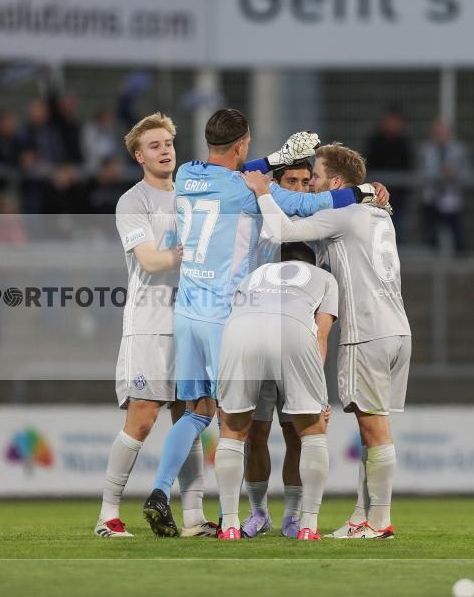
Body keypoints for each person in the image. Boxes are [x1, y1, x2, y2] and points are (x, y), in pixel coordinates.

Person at [142, 109, 366, 538]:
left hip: (186, 311)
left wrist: (277, 158)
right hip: (227, 316)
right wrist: (364, 192)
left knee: (194, 413)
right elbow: (308, 203)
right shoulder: (248, 192)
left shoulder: (187, 174)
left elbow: (240, 169)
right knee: (235, 425)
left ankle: (159, 490)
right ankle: (241, 518)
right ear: (243, 143)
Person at [247, 142, 411, 540]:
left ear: (337, 182)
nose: (313, 187)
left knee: (374, 430)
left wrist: (263, 191)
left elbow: (283, 229)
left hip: (366, 332)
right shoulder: (378, 213)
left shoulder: (342, 213)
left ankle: (381, 522)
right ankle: (361, 516)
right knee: (370, 429)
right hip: (398, 330)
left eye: (317, 178)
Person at [96, 112, 217, 539]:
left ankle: (194, 517)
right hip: (149, 324)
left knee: (191, 417)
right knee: (143, 420)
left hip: (190, 321)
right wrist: (194, 254)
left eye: (168, 143)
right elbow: (148, 259)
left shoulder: (192, 194)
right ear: (138, 155)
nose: (165, 150)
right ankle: (108, 515)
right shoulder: (133, 201)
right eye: (154, 146)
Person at [216, 242, 337, 540]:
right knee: (309, 431)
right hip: (294, 334)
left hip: (241, 333)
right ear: (313, 263)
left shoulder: (254, 275)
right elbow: (320, 335)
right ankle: (305, 524)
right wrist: (317, 395)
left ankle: (229, 525)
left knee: (234, 431)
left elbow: (233, 317)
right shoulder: (325, 277)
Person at [242, 160, 314, 540]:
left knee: (296, 435)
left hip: (298, 348)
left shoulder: (318, 229)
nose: (300, 189)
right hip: (257, 341)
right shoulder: (260, 227)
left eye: (306, 182)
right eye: (292, 181)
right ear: (277, 184)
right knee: (255, 432)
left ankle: (292, 514)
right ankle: (257, 512)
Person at [420, 119, 469, 255]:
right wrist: (439, 174)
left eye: (443, 132)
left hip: (452, 199)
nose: (440, 135)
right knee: (431, 237)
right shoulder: (426, 150)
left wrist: (455, 173)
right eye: (437, 132)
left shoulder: (459, 150)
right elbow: (422, 172)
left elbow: (468, 172)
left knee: (457, 237)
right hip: (431, 199)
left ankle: (459, 268)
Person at [365, 105, 412, 242]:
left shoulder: (403, 142)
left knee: (396, 227)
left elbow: (408, 167)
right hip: (377, 194)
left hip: (398, 195)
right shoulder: (375, 141)